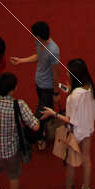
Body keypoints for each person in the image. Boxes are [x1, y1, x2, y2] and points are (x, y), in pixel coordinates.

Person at [43, 58, 95, 189]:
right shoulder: (91, 87)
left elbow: (69, 119)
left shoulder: (73, 97)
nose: (66, 72)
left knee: (71, 162)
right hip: (87, 128)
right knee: (86, 159)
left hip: (74, 132)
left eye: (68, 71)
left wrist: (52, 113)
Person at [11, 21, 61, 151]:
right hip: (39, 82)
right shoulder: (39, 42)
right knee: (45, 111)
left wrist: (56, 93)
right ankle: (43, 132)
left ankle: (39, 137)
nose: (32, 36)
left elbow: (56, 73)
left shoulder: (53, 50)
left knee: (40, 116)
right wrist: (21, 60)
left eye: (33, 34)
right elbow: (38, 56)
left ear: (38, 36)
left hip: (47, 87)